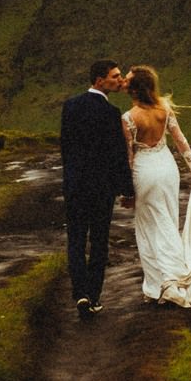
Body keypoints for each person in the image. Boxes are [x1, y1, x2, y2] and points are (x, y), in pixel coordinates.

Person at [122, 64, 191, 307]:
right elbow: (180, 139)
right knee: (168, 220)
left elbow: (129, 156)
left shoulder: (129, 118)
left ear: (134, 89)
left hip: (145, 171)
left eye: (127, 80)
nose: (123, 83)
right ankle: (161, 285)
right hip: (167, 168)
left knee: (150, 226)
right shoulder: (164, 109)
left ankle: (169, 281)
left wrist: (127, 191)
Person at [60, 60, 136, 320]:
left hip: (75, 186)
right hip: (102, 188)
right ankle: (93, 296)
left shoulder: (70, 106)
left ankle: (80, 292)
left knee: (76, 239)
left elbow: (66, 148)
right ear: (99, 80)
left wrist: (69, 179)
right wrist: (126, 188)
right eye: (115, 76)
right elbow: (118, 155)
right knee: (99, 241)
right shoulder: (111, 113)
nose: (119, 80)